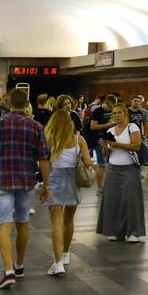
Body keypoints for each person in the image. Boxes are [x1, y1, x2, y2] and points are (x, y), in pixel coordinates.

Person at [0, 87, 51, 289]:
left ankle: (8, 270)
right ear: (27, 104)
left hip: (2, 181)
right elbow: (44, 158)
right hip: (26, 182)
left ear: (8, 105)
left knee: (4, 224)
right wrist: (47, 186)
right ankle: (19, 265)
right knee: (23, 222)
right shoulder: (36, 126)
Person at [44, 107, 92, 274]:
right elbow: (87, 163)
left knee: (56, 223)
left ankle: (58, 264)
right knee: (69, 221)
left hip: (55, 180)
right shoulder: (79, 140)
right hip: (73, 182)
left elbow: (43, 162)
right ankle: (65, 254)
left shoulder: (50, 139)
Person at [96, 102, 146, 243]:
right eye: (114, 113)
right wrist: (104, 146)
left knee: (130, 200)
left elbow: (136, 146)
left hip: (130, 169)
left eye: (119, 112)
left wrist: (116, 144)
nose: (117, 115)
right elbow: (107, 154)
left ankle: (134, 232)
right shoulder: (111, 131)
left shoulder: (133, 127)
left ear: (125, 113)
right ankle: (116, 231)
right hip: (112, 169)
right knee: (113, 200)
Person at [87, 94, 114, 193]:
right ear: (108, 103)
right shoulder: (97, 111)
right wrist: (108, 124)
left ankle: (107, 186)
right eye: (112, 104)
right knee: (102, 164)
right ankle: (99, 188)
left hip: (108, 138)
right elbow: (93, 127)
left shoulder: (111, 111)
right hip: (98, 140)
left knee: (109, 164)